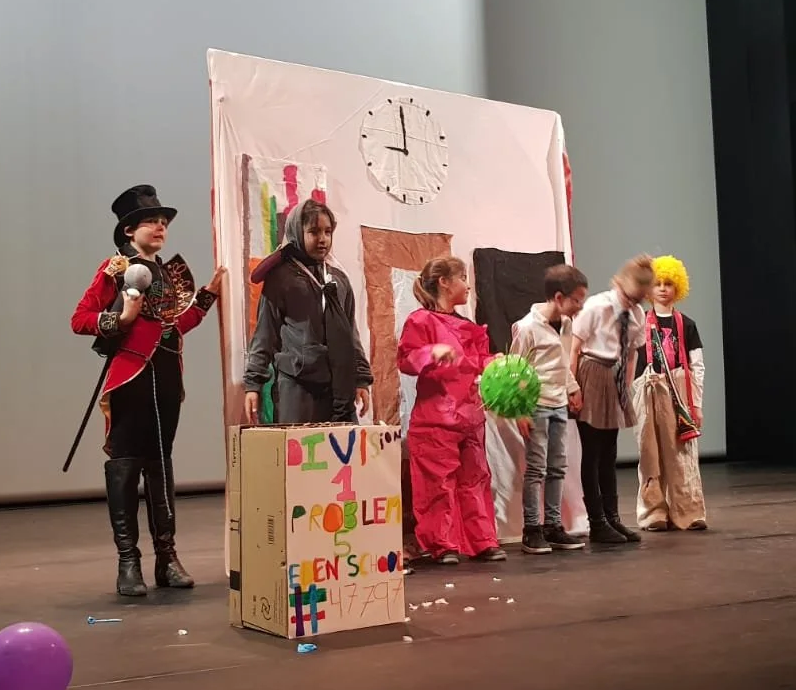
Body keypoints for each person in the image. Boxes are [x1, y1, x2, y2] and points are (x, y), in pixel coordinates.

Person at [70, 184, 225, 597]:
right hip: (130, 378)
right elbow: (80, 319)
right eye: (151, 222)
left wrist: (207, 297)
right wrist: (119, 319)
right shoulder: (115, 269)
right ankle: (128, 562)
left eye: (163, 222)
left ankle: (167, 558)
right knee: (125, 467)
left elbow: (176, 325)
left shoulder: (170, 275)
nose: (160, 227)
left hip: (167, 378)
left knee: (161, 463)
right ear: (128, 231)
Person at [398, 257, 507, 564]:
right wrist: (430, 351)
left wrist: (496, 364)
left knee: (475, 478)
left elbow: (477, 364)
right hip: (436, 419)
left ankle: (482, 539)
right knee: (437, 483)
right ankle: (442, 543)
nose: (468, 284)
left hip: (470, 417)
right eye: (462, 277)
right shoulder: (421, 321)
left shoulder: (469, 327)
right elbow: (406, 359)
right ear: (444, 282)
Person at [242, 199, 372, 424]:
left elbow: (351, 333)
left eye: (328, 232)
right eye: (314, 231)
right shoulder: (281, 279)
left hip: (338, 386)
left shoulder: (339, 280)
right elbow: (265, 334)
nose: (322, 239)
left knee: (339, 455)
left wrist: (361, 379)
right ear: (297, 232)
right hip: (297, 386)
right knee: (302, 455)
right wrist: (253, 384)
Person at [570, 255, 654, 545]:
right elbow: (575, 348)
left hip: (615, 377)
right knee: (592, 452)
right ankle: (596, 522)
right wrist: (573, 387)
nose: (634, 304)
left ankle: (612, 517)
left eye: (639, 300)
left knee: (609, 452)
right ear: (620, 285)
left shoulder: (636, 315)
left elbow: (632, 352)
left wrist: (626, 388)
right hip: (592, 371)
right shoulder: (597, 306)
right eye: (631, 298)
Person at [509, 264, 591, 554]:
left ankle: (553, 526)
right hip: (536, 405)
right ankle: (532, 528)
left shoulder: (566, 326)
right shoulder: (527, 327)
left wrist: (573, 388)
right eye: (577, 300)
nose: (580, 306)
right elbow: (515, 369)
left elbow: (562, 362)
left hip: (558, 404)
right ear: (559, 297)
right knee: (537, 468)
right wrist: (519, 410)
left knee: (558, 466)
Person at [633, 255, 708, 531]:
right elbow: (629, 360)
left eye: (668, 283)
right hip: (648, 389)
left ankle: (687, 511)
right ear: (649, 289)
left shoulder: (687, 325)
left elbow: (697, 366)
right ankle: (653, 512)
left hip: (679, 392)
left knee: (682, 453)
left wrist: (696, 405)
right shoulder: (638, 322)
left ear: (678, 287)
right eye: (658, 283)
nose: (663, 288)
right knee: (650, 452)